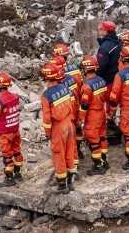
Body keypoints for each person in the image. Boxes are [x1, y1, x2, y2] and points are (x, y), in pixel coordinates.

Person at [39, 61, 79, 193]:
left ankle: (62, 185)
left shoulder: (46, 96)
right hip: (68, 123)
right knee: (69, 150)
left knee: (58, 154)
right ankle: (71, 180)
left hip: (58, 126)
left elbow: (46, 118)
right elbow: (72, 105)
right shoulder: (65, 89)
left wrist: (48, 133)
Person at [77, 57, 111, 173]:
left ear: (86, 69)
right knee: (102, 137)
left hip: (92, 115)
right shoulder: (102, 80)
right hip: (101, 111)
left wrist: (80, 119)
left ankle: (98, 166)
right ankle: (104, 160)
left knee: (94, 141)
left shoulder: (87, 86)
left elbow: (85, 105)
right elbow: (106, 97)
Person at [0, 73, 23, 186]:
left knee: (7, 156)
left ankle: (9, 179)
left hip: (4, 132)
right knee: (17, 151)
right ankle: (18, 174)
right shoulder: (15, 97)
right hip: (15, 130)